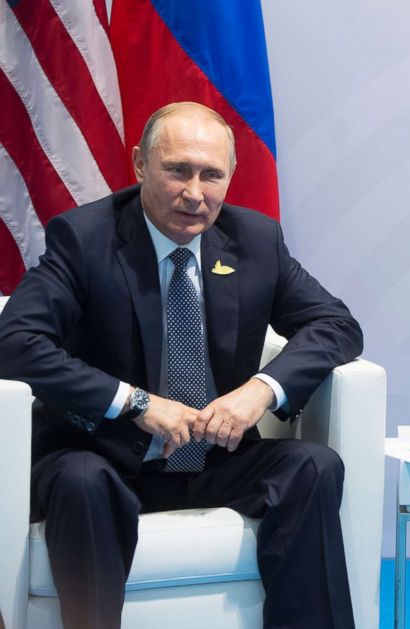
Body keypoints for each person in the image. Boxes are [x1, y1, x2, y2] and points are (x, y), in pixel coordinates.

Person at [0, 102, 364, 629]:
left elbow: (336, 325)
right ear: (140, 165)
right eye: (178, 170)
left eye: (211, 174)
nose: (195, 193)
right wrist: (136, 403)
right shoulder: (84, 239)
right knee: (80, 479)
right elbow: (15, 340)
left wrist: (261, 390)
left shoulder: (256, 241)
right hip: (101, 455)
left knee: (313, 466)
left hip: (214, 460)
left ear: (230, 177)